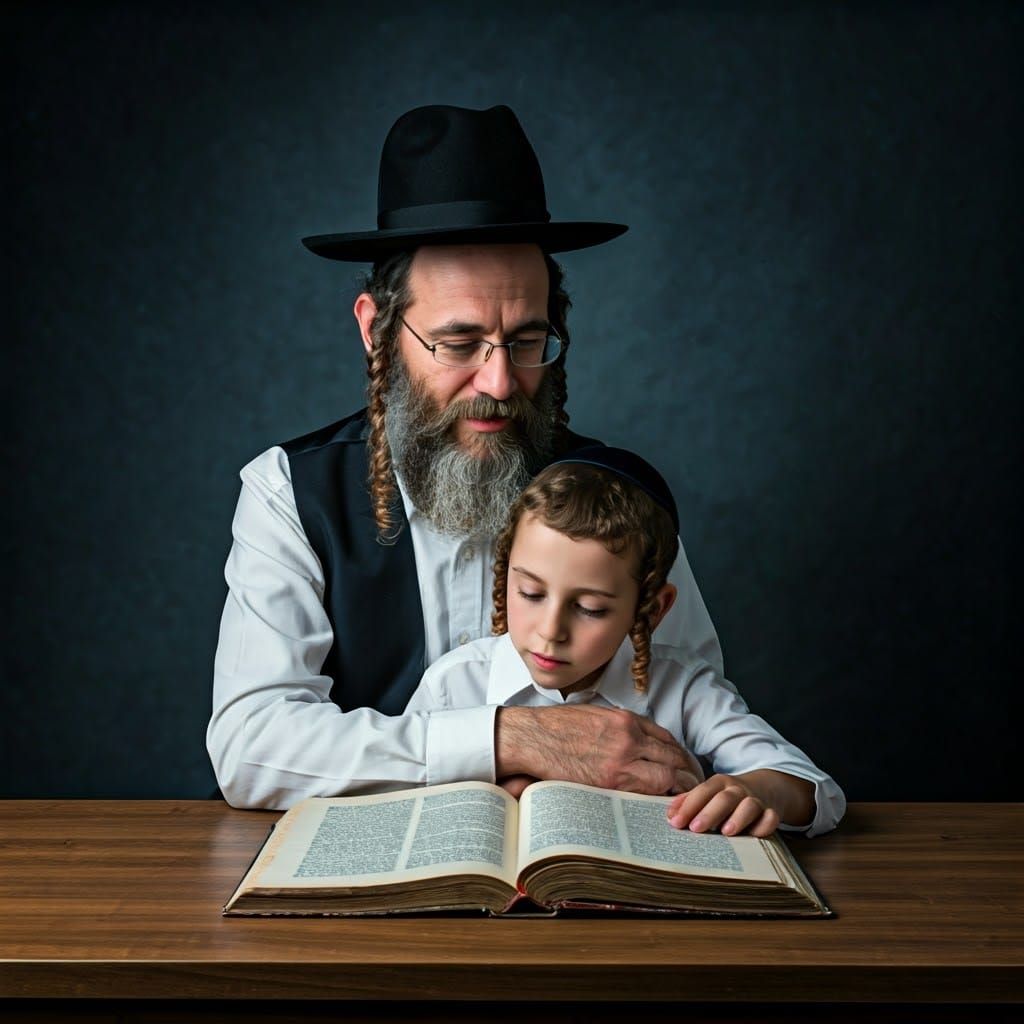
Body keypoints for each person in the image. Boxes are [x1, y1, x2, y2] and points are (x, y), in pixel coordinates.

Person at [207, 104, 723, 809]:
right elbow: (251, 747)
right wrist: (508, 739)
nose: (501, 382)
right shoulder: (287, 493)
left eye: (527, 340)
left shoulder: (617, 496)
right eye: (458, 344)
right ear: (377, 332)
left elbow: (691, 726)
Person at [405, 447, 845, 838]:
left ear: (652, 610)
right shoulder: (453, 683)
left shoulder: (683, 688)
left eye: (591, 608)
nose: (550, 630)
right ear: (504, 578)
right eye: (531, 594)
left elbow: (815, 792)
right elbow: (394, 795)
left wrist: (756, 789)